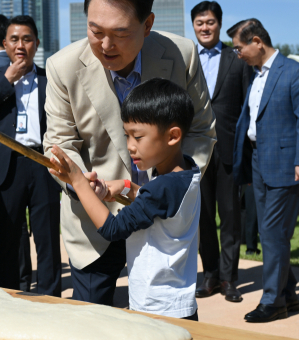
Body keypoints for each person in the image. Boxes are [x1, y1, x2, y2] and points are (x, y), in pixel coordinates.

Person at [43, 0, 216, 306]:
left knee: (162, 317)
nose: (105, 45)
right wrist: (82, 184)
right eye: (94, 31)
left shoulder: (180, 55)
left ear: (147, 25)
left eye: (120, 33)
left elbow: (201, 130)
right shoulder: (62, 66)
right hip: (95, 221)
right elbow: (60, 142)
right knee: (93, 322)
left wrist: (176, 187)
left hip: (161, 221)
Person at [49, 78, 201, 320]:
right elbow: (159, 205)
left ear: (173, 136)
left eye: (137, 137)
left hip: (157, 311)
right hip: (177, 304)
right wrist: (127, 186)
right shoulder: (186, 174)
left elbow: (112, 229)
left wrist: (78, 182)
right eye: (126, 136)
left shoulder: (162, 187)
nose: (130, 146)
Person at [231, 18, 299, 323]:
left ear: (257, 41)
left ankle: (273, 301)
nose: (237, 54)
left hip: (287, 165)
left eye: (239, 47)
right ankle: (290, 293)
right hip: (259, 161)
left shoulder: (295, 72)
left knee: (271, 232)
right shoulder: (255, 75)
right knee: (274, 233)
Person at [0, 15, 62, 296]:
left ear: (36, 43)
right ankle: (10, 296)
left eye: (27, 39)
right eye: (14, 39)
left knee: (47, 239)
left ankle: (50, 298)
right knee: (7, 238)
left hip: (42, 164)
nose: (21, 45)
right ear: (4, 44)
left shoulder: (50, 80)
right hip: (6, 166)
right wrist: (7, 80)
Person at [190, 1, 251, 303]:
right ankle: (210, 274)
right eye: (200, 22)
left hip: (229, 149)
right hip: (196, 151)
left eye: (210, 22)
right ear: (193, 26)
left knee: (230, 217)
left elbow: (247, 105)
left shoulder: (236, 58)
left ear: (219, 24)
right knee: (202, 218)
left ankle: (229, 278)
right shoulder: (185, 58)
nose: (205, 27)